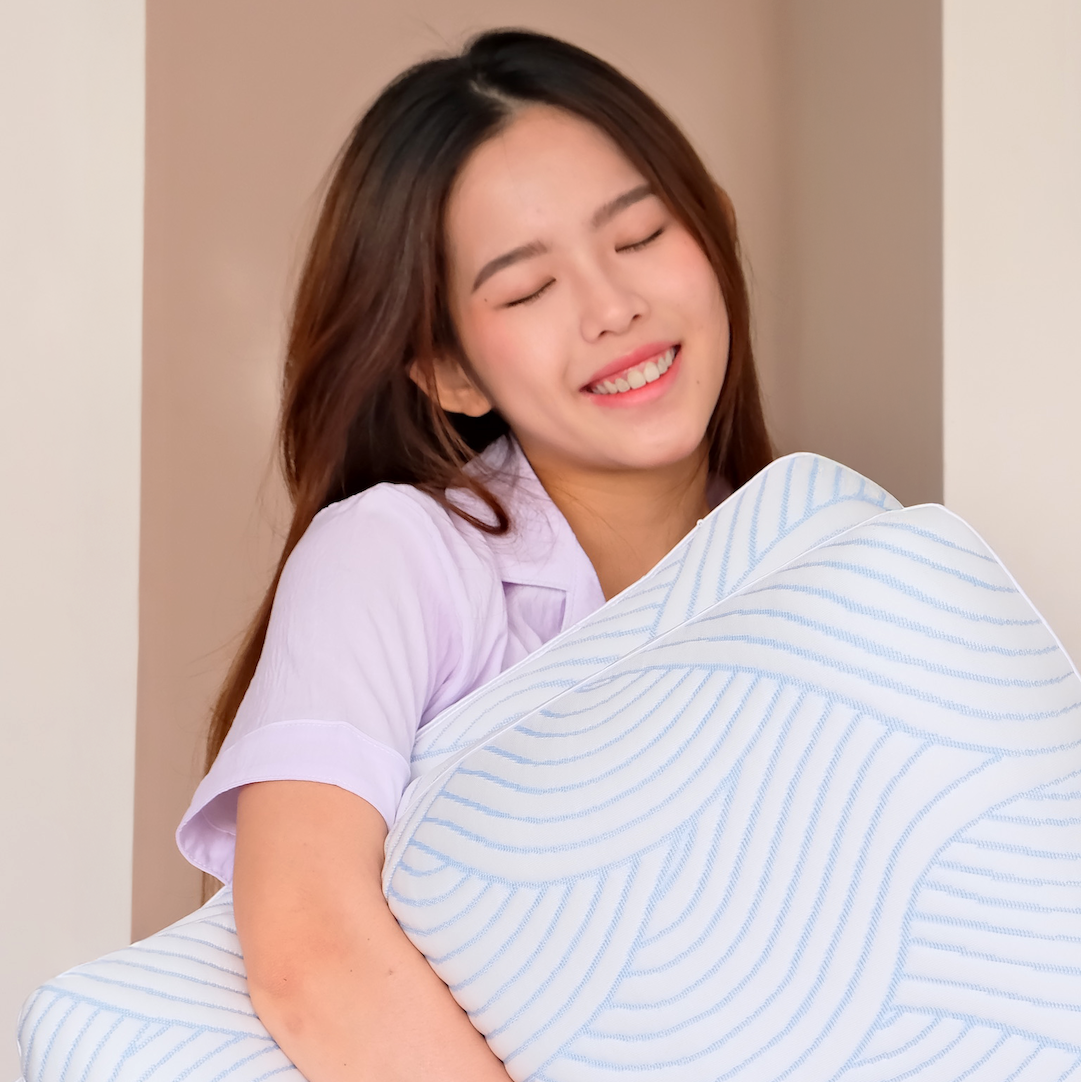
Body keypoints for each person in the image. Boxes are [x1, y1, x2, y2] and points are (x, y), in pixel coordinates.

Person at [176, 28, 773, 1082]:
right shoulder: (394, 555)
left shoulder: (816, 557)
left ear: (714, 233)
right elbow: (307, 953)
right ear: (449, 369)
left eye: (638, 235)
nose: (612, 307)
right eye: (524, 289)